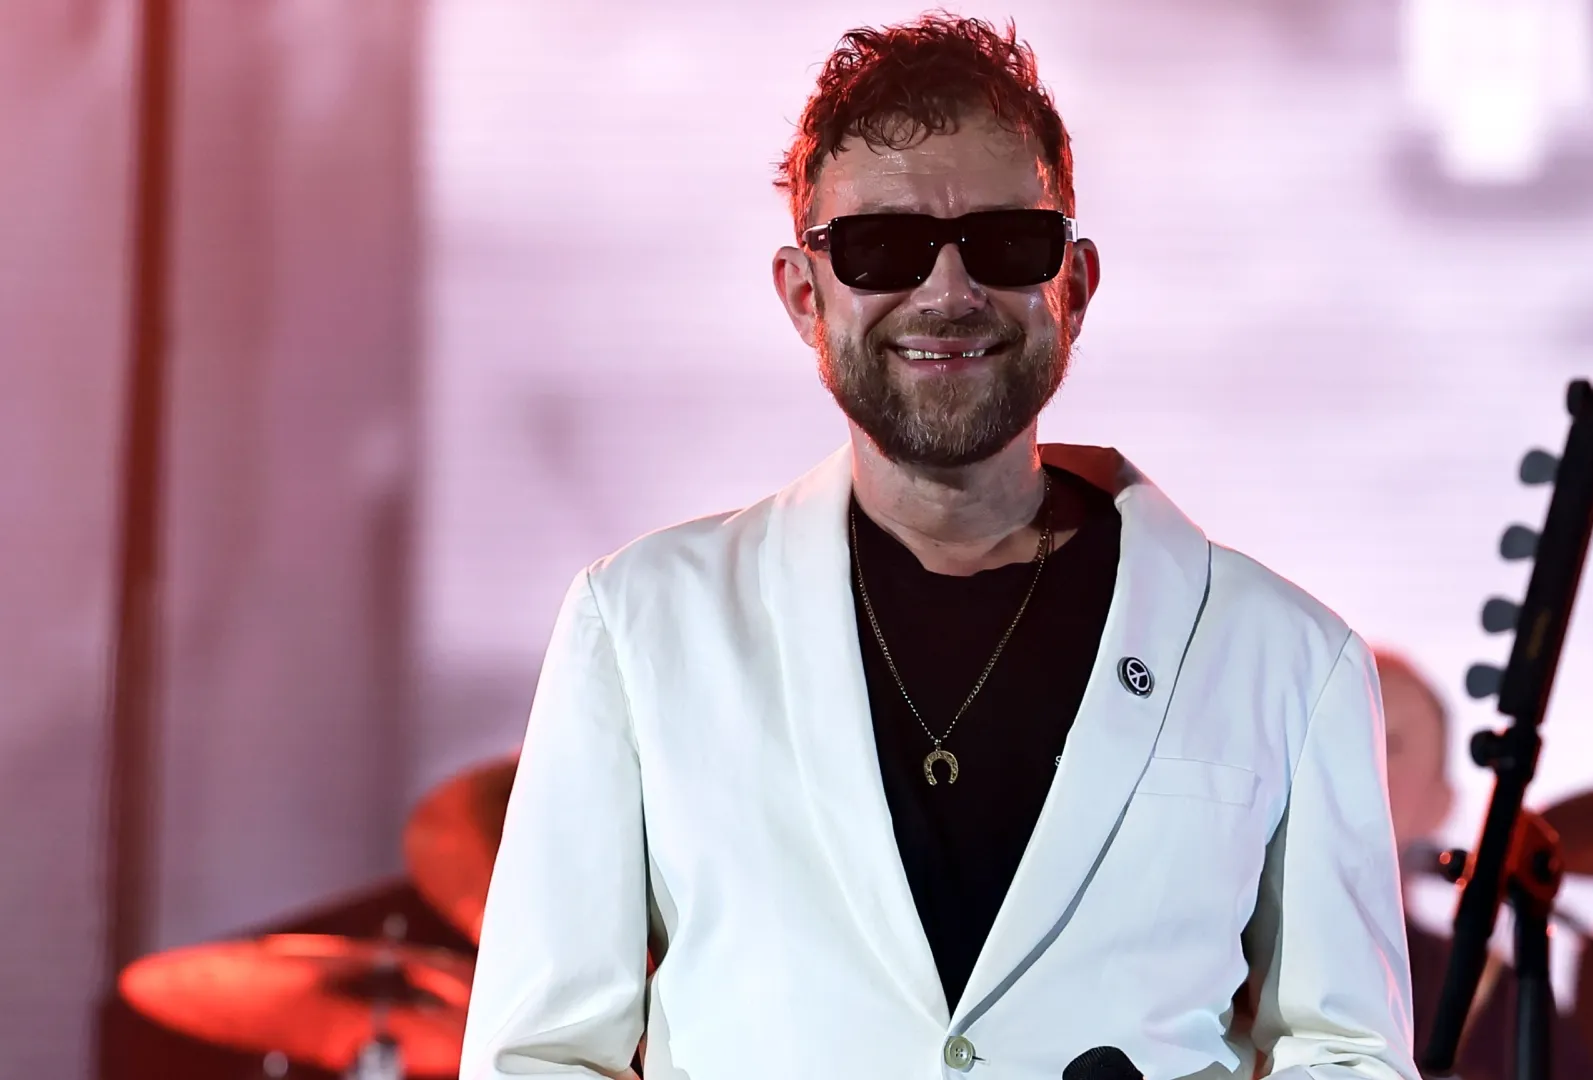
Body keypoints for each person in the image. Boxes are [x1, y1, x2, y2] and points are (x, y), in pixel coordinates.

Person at [460, 16, 1417, 1080]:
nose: (949, 292)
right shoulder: (639, 624)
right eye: (883, 248)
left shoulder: (1288, 655)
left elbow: (1349, 1057)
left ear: (1077, 284)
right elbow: (537, 1058)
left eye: (1008, 243)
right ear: (801, 295)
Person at [1375, 649, 1593, 1080]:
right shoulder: (1226, 955)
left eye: (1392, 745)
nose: (1356, 759)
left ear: (1440, 807)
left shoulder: (1500, 1004)